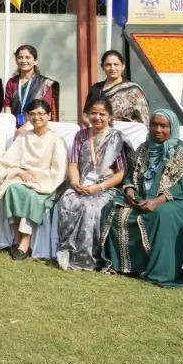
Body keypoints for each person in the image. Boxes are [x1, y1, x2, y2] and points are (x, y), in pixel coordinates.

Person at [99, 109, 183, 285]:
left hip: (178, 200)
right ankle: (125, 265)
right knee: (113, 209)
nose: (158, 130)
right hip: (144, 196)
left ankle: (161, 273)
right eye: (154, 125)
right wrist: (130, 190)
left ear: (172, 127)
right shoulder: (144, 147)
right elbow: (131, 175)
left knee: (163, 215)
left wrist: (158, 201)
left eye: (164, 126)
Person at [53, 98, 126, 271]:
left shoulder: (117, 138)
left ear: (110, 116)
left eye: (102, 114)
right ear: (87, 115)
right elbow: (73, 164)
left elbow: (121, 173)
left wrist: (98, 188)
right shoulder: (81, 135)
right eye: (93, 113)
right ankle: (68, 252)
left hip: (107, 188)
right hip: (83, 184)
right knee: (68, 200)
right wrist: (76, 182)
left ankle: (88, 258)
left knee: (90, 208)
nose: (97, 117)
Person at [0, 98, 68, 259]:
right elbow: (7, 162)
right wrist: (20, 173)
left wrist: (38, 182)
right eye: (33, 114)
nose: (37, 117)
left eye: (41, 113)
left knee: (30, 195)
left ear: (49, 115)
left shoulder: (56, 140)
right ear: (28, 116)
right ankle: (16, 236)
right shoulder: (23, 137)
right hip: (22, 179)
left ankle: (25, 241)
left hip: (46, 183)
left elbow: (59, 171)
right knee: (12, 189)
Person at [84, 49, 149, 124]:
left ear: (123, 66)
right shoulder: (96, 89)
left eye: (116, 64)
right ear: (103, 67)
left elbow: (144, 119)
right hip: (98, 133)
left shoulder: (133, 90)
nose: (112, 68)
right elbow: (86, 115)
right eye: (108, 65)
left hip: (128, 133)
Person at [4, 44, 58, 126]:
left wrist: (27, 127)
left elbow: (45, 111)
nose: (23, 60)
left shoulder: (44, 83)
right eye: (20, 57)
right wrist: (10, 126)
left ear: (35, 61)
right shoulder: (12, 82)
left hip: (37, 127)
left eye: (27, 57)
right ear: (16, 61)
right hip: (14, 128)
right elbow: (7, 106)